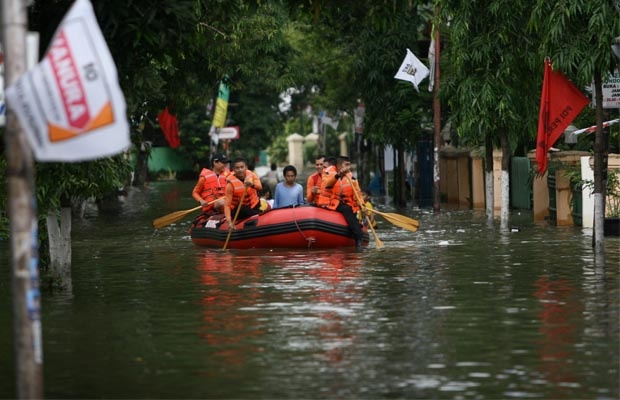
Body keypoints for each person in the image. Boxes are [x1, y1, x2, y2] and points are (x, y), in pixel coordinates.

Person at [322, 156, 365, 248]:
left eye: (349, 165)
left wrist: (362, 206)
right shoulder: (328, 172)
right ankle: (358, 236)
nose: (348, 167)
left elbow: (357, 193)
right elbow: (328, 184)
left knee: (349, 209)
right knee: (347, 209)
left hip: (346, 203)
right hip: (331, 202)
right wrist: (337, 175)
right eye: (346, 165)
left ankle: (358, 235)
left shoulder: (351, 177)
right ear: (338, 166)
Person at [224, 157, 263, 227]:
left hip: (254, 205)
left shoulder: (252, 175)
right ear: (233, 170)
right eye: (237, 168)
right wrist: (229, 222)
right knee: (243, 208)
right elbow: (227, 205)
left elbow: (260, 187)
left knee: (260, 200)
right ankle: (258, 215)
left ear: (246, 167)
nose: (240, 170)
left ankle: (258, 214)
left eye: (242, 167)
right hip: (239, 210)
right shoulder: (230, 185)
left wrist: (252, 185)